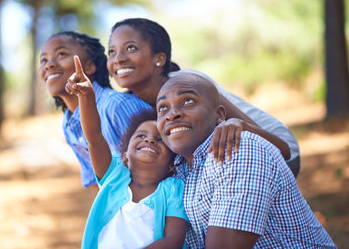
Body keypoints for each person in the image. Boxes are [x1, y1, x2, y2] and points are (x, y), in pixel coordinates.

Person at [155, 72, 336, 248]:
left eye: (188, 101)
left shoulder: (238, 150)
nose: (172, 114)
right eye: (163, 107)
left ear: (219, 115)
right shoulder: (180, 169)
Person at [107, 17, 300, 177]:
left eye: (130, 48)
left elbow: (259, 138)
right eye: (112, 51)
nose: (118, 58)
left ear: (159, 58)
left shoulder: (188, 84)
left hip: (276, 148)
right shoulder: (128, 104)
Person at [66, 55, 188, 248]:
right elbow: (95, 138)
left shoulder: (173, 189)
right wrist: (87, 97)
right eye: (140, 136)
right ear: (124, 155)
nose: (149, 139)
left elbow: (173, 240)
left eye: (159, 140)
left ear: (172, 164)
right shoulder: (114, 175)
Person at [38, 31, 151, 190]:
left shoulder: (116, 107)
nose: (48, 64)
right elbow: (95, 182)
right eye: (43, 60)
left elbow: (153, 174)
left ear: (90, 66)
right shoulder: (68, 123)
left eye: (61, 54)